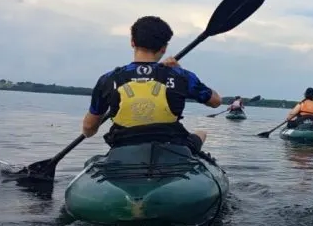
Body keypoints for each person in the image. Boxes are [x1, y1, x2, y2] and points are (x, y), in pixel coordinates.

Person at [81, 16, 222, 153]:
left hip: (123, 149)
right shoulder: (181, 75)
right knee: (201, 133)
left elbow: (88, 128)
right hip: (173, 148)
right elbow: (216, 101)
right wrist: (178, 70)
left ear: (132, 42)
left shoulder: (108, 79)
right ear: (164, 48)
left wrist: (91, 130)